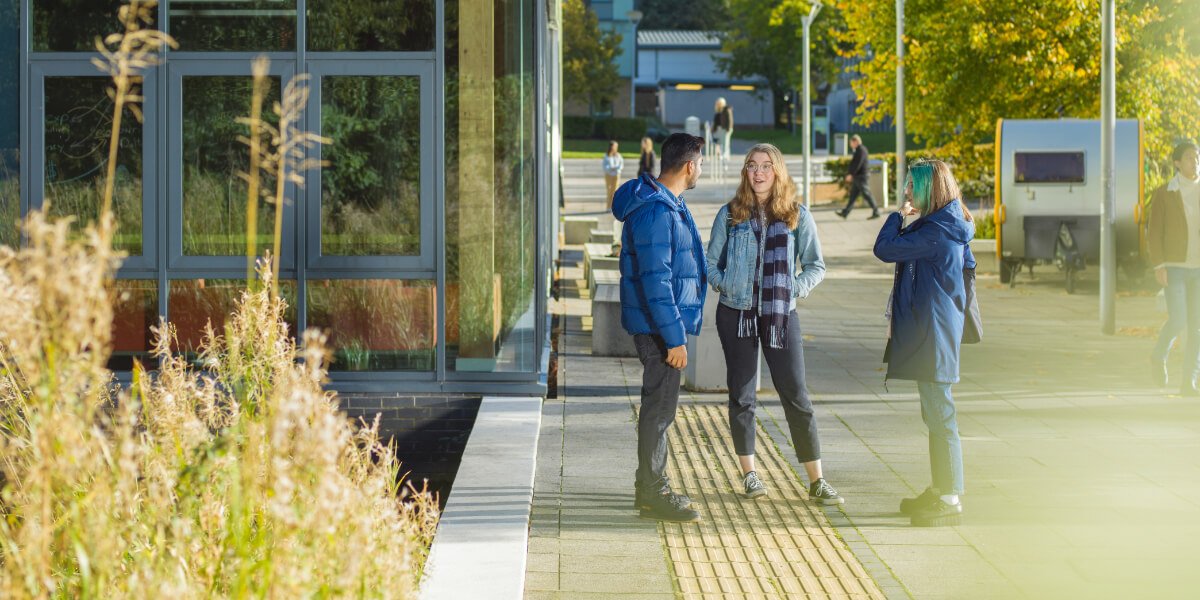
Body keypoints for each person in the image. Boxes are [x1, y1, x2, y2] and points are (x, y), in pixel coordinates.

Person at [705, 143, 843, 505]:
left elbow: (816, 266)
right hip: (737, 314)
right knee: (742, 394)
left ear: (778, 172)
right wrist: (729, 286)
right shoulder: (730, 215)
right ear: (745, 173)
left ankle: (817, 480)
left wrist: (790, 290)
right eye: (752, 165)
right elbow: (710, 263)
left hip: (782, 317)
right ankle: (749, 474)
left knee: (796, 395)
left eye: (766, 165)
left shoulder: (798, 216)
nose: (758, 172)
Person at [873, 159, 975, 527]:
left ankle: (950, 498)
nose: (906, 193)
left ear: (929, 190)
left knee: (941, 416)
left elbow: (885, 249)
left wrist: (898, 216)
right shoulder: (946, 225)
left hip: (934, 334)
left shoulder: (937, 232)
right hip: (935, 330)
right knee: (934, 414)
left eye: (911, 187)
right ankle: (941, 489)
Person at [612, 133, 708, 523]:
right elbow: (657, 281)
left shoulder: (667, 203)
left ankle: (646, 487)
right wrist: (675, 338)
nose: (700, 169)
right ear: (689, 166)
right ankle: (654, 491)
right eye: (700, 162)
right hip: (659, 329)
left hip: (660, 325)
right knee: (659, 411)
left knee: (659, 408)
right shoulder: (657, 212)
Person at [1147, 141, 1200, 394]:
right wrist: (1159, 265)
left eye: (1197, 156)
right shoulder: (1165, 193)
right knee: (1179, 320)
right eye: (1189, 157)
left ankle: (1189, 381)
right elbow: (1154, 232)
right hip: (1175, 268)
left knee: (1197, 325)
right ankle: (1159, 357)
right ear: (1178, 163)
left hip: (1199, 268)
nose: (1195, 161)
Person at [836, 135, 880, 220]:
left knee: (867, 194)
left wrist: (851, 174)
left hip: (861, 176)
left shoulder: (861, 150)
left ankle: (876, 211)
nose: (850, 145)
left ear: (855, 141)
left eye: (851, 143)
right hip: (858, 176)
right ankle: (845, 212)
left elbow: (858, 164)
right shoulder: (859, 150)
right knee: (853, 195)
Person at [602, 140, 624, 210]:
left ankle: (613, 206)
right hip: (608, 175)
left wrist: (617, 169)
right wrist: (611, 168)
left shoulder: (618, 156)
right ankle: (608, 206)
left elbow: (621, 165)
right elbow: (605, 166)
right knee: (609, 190)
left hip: (616, 175)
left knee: (615, 191)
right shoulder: (606, 156)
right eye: (615, 146)